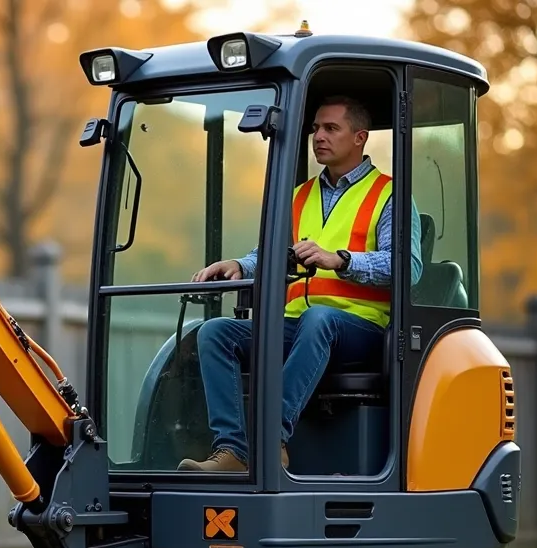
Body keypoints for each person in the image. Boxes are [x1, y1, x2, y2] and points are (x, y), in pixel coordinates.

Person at [178, 95, 422, 472]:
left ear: (360, 137)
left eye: (331, 128)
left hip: (363, 330)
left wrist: (341, 259)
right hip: (298, 325)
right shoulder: (298, 196)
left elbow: (407, 267)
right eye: (315, 128)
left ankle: (269, 439)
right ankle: (233, 451)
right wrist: (239, 265)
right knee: (215, 333)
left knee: (320, 318)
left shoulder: (389, 195)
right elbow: (271, 255)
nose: (319, 136)